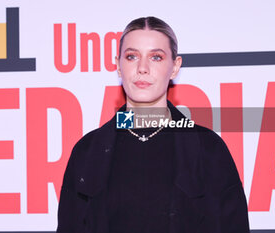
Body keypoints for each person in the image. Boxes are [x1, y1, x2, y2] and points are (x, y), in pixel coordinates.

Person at [56, 16, 250, 233]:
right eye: (131, 56)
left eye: (156, 57)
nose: (142, 68)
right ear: (119, 66)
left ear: (175, 67)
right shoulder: (88, 151)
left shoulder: (208, 149)